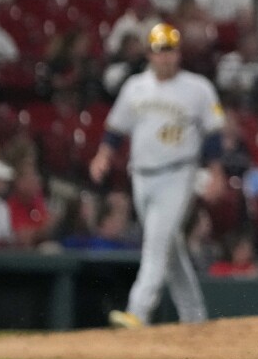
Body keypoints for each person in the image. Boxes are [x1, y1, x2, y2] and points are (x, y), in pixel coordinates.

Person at [90, 23, 226, 328]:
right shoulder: (135, 86)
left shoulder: (198, 88)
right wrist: (102, 156)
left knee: (155, 242)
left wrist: (216, 173)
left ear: (178, 53)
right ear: (150, 54)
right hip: (141, 175)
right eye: (159, 50)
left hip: (180, 172)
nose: (166, 57)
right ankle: (194, 317)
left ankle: (138, 311)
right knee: (170, 248)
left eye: (171, 50)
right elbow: (115, 129)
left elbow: (214, 135)